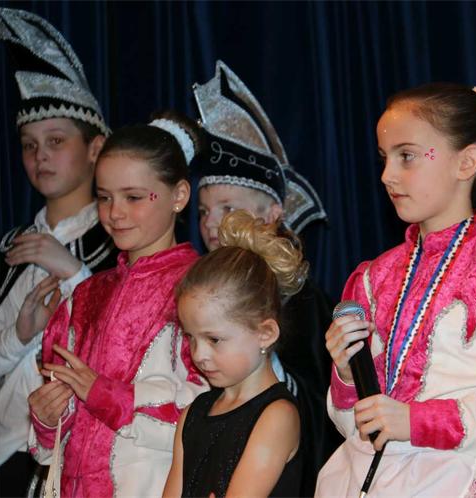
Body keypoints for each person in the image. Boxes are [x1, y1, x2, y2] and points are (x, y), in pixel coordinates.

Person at [315, 81, 476, 497]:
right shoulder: (373, 278)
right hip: (364, 479)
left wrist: (418, 421)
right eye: (385, 157)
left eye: (407, 156)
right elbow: (355, 425)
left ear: (466, 163)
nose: (387, 175)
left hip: (456, 481)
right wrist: (346, 374)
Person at [27, 112, 209, 497]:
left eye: (134, 197)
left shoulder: (204, 289)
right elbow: (55, 440)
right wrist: (47, 418)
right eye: (105, 197)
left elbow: (211, 413)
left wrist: (109, 397)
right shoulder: (83, 298)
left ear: (179, 196)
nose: (115, 213)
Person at [192, 60, 337, 495]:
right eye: (203, 211)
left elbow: (319, 406)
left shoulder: (303, 302)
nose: (211, 223)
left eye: (227, 208)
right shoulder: (197, 288)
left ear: (273, 214)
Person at [0, 8, 118, 495]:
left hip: (64, 455)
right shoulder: (11, 248)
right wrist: (19, 335)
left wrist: (73, 272)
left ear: (95, 148)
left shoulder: (116, 243)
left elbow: (120, 352)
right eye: (29, 145)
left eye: (56, 141)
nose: (40, 156)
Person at [163, 210, 305, 497]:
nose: (199, 354)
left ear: (265, 333)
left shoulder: (277, 416)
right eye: (190, 337)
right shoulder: (194, 413)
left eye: (214, 339)